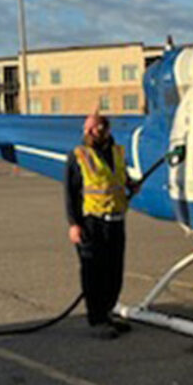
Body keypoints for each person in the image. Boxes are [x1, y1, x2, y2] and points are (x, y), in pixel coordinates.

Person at [65, 112, 140, 340]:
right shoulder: (79, 156)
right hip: (91, 223)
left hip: (116, 222)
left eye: (93, 128)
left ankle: (107, 312)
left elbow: (119, 178)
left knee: (114, 271)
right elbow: (70, 193)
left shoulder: (117, 154)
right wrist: (73, 224)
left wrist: (131, 185)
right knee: (93, 273)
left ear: (106, 131)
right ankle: (96, 318)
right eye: (86, 129)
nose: (88, 133)